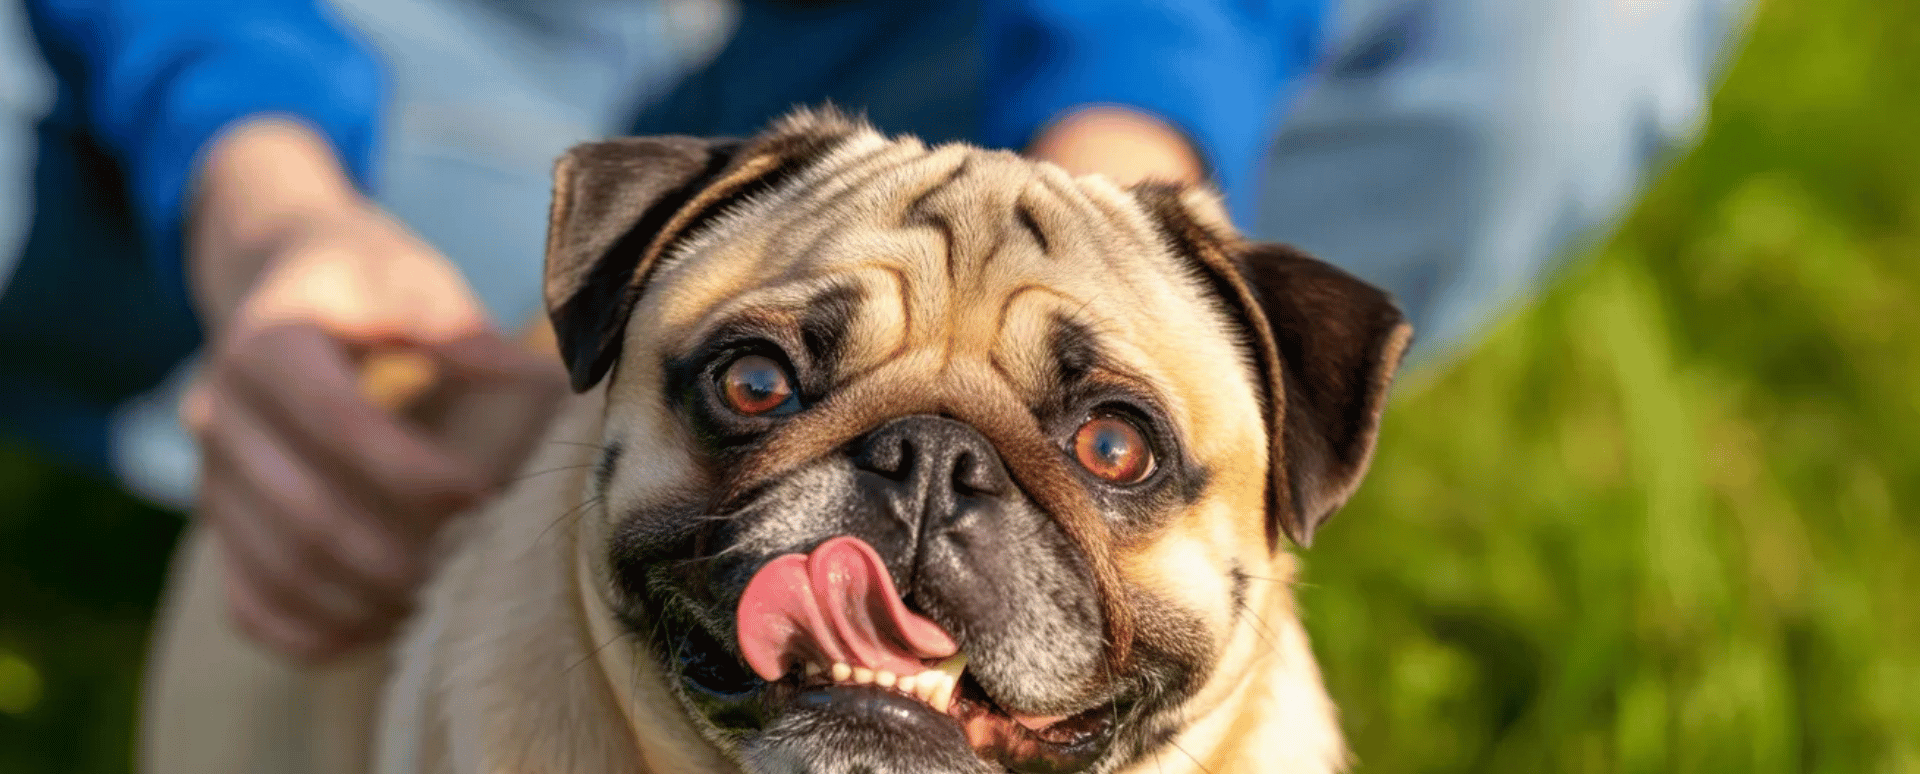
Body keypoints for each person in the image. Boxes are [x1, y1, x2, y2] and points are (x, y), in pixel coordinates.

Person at [0, 0, 1752, 662]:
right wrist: (258, 188)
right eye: (767, 390)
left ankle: (1127, 439)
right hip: (384, 83)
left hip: (973, 63)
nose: (919, 486)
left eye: (1101, 439)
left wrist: (1124, 216)